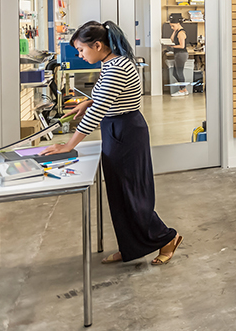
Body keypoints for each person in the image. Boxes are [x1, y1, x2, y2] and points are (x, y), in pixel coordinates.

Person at [41, 21, 184, 265]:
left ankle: (166, 238)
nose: (80, 55)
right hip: (116, 128)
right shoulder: (110, 63)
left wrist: (68, 146)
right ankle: (130, 249)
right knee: (118, 194)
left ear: (97, 45)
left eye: (82, 50)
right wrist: (87, 102)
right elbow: (105, 97)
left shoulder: (118, 66)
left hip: (126, 132)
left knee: (133, 195)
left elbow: (99, 111)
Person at [169, 14, 190, 97]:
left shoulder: (181, 33)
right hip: (178, 54)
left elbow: (182, 46)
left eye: (173, 26)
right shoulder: (177, 31)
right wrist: (174, 30)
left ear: (178, 24)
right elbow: (171, 39)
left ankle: (183, 90)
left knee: (179, 73)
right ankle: (184, 89)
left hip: (181, 54)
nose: (172, 28)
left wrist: (172, 46)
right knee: (175, 73)